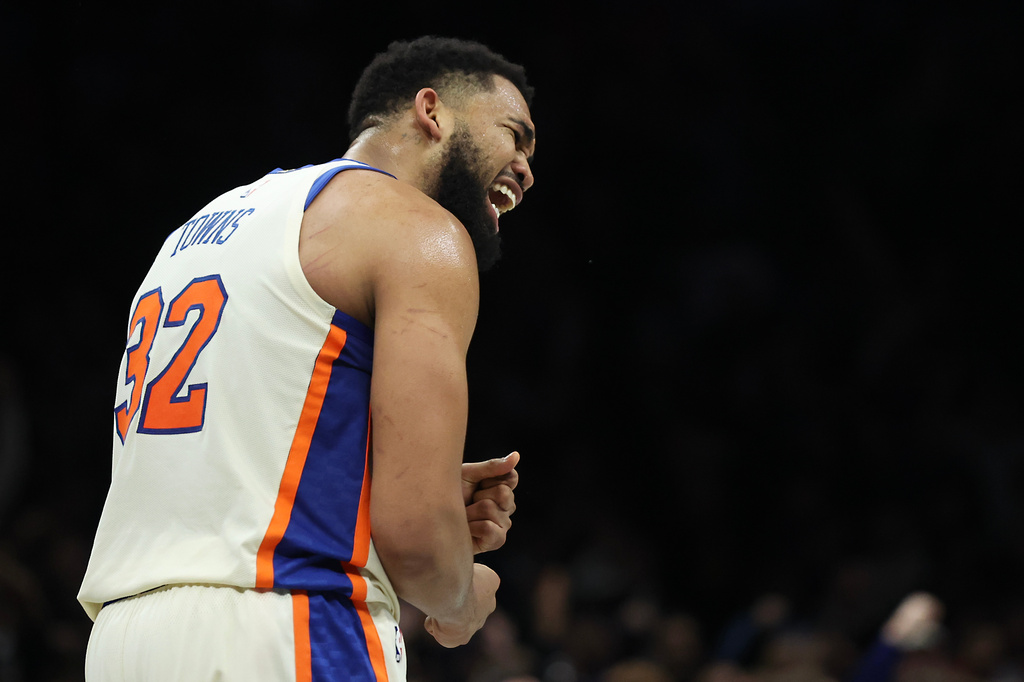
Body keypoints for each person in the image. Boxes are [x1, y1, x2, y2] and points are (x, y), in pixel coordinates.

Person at [77, 35, 537, 681]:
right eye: (514, 135)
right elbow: (418, 546)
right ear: (431, 111)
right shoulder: (419, 230)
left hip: (125, 638)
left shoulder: (201, 226)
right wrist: (461, 596)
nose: (525, 168)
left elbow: (235, 453)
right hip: (289, 626)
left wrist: (387, 487)